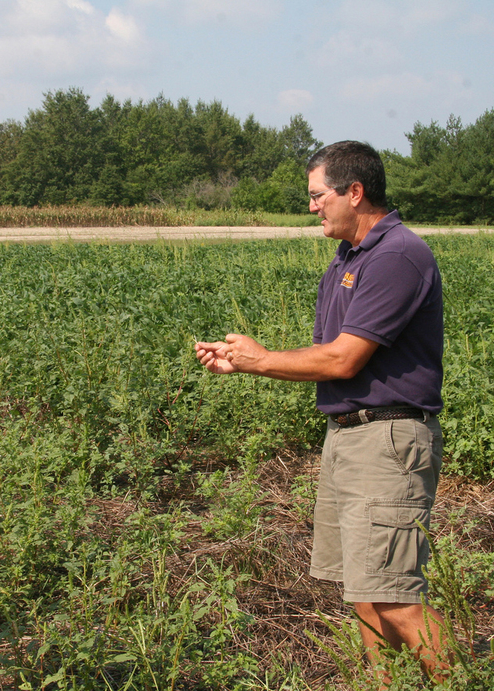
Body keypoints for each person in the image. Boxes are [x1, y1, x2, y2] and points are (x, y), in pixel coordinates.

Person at [195, 141, 447, 681]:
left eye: (317, 195)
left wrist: (261, 361)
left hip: (389, 441)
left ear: (354, 193)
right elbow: (325, 354)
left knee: (396, 595)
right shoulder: (347, 261)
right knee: (364, 592)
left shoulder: (397, 255)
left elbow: (344, 359)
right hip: (350, 438)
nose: (312, 206)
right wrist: (244, 362)